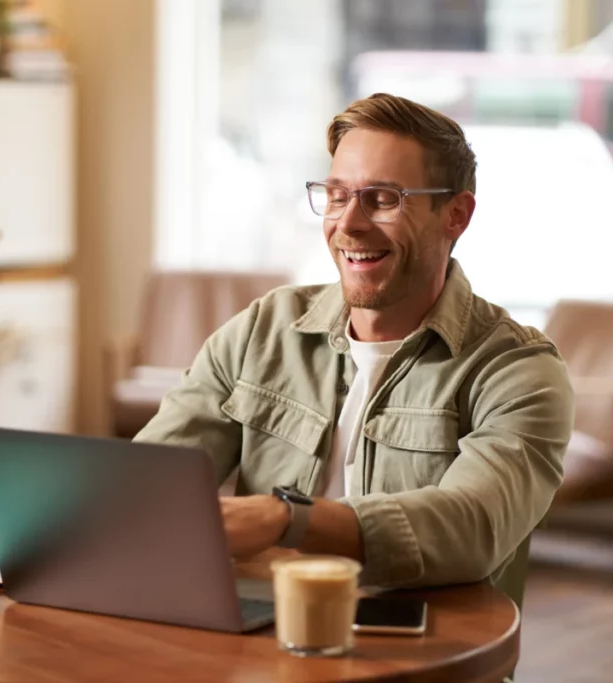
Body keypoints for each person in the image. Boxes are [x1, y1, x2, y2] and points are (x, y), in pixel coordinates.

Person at [135, 93, 573, 588]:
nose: (348, 224)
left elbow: (473, 526)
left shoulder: (517, 371)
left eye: (383, 199)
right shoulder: (262, 330)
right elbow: (151, 484)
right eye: (337, 196)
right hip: (259, 641)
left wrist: (287, 518)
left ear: (456, 215)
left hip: (428, 651)